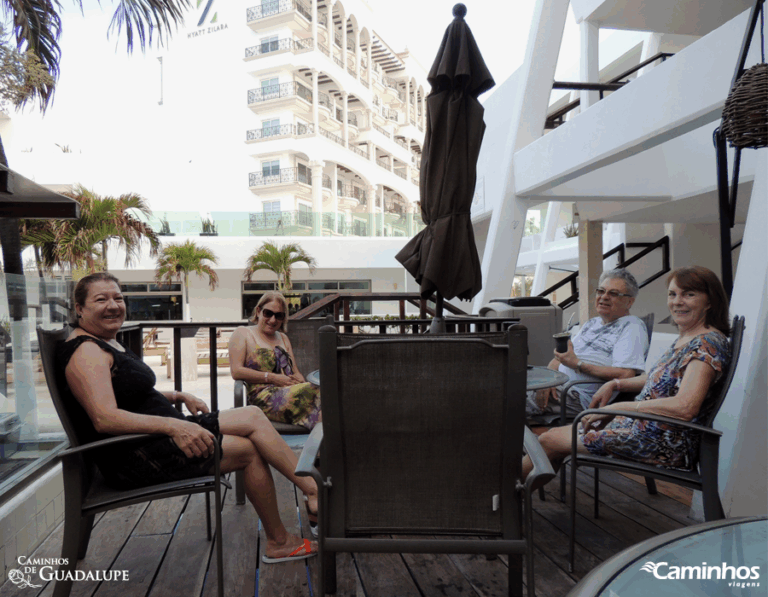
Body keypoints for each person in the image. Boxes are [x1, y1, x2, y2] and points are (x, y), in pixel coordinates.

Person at [59, 273, 318, 563]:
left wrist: (177, 395)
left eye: (118, 298)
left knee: (253, 416)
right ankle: (288, 528)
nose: (113, 305)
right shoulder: (87, 351)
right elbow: (105, 418)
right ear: (79, 308)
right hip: (138, 454)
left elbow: (125, 393)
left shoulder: (101, 342)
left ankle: (308, 497)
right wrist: (175, 425)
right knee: (248, 447)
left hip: (156, 437)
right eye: (101, 299)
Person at [524, 266, 731, 477]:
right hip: (640, 427)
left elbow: (685, 407)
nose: (677, 302)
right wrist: (616, 384)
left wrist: (620, 407)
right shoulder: (688, 339)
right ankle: (517, 491)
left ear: (710, 301)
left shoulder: (707, 345)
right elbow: (657, 378)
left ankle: (512, 492)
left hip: (660, 442)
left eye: (689, 294)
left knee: (548, 440)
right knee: (551, 439)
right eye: (672, 294)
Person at [526, 268, 649, 423]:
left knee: (512, 394)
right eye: (601, 291)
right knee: (513, 380)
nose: (604, 297)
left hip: (579, 395)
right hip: (560, 385)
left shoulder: (632, 326)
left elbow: (626, 374)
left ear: (629, 301)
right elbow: (561, 358)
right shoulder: (592, 323)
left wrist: (578, 365)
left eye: (613, 293)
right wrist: (548, 379)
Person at [228, 291, 321, 430]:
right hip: (264, 399)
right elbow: (236, 371)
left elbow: (296, 372)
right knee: (323, 395)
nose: (273, 320)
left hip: (290, 392)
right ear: (258, 311)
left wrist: (299, 381)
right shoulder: (243, 333)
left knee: (327, 394)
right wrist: (272, 377)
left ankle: (324, 440)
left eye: (279, 316)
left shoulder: (283, 338)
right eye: (268, 313)